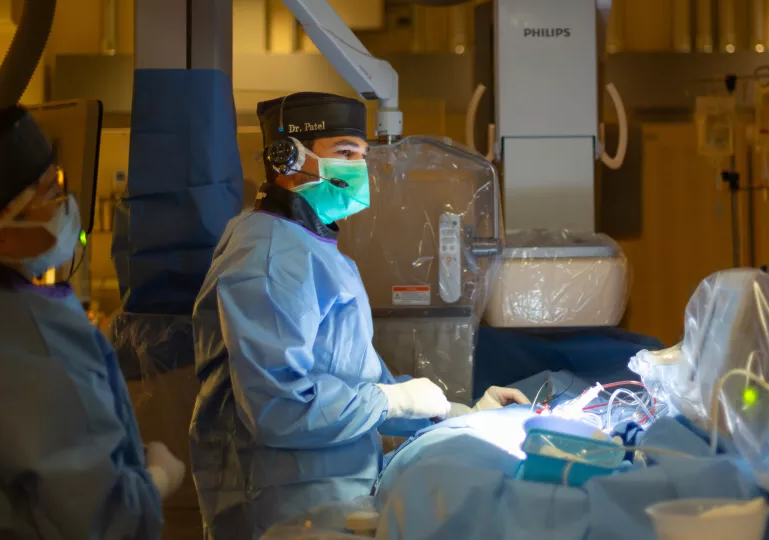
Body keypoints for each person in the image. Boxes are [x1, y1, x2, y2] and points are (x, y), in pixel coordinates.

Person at [190, 92, 528, 538]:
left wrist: (456, 413)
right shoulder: (269, 259)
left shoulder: (311, 249)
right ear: (286, 158)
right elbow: (278, 408)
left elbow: (357, 382)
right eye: (345, 153)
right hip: (283, 503)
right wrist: (392, 400)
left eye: (362, 156)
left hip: (326, 494)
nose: (359, 169)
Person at [0, 106, 186, 538]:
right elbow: (102, 520)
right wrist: (157, 478)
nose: (66, 205)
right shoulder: (24, 336)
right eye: (49, 195)